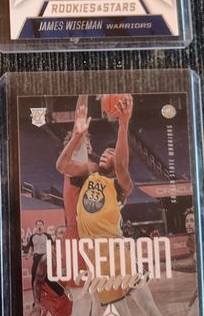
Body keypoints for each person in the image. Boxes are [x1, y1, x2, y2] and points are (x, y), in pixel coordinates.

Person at [59, 97, 163, 316]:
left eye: (111, 153)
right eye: (104, 152)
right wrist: (77, 135)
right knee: (118, 312)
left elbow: (122, 166)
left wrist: (123, 125)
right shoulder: (89, 173)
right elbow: (62, 165)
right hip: (96, 258)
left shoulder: (120, 184)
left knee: (149, 308)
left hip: (117, 253)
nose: (106, 153)